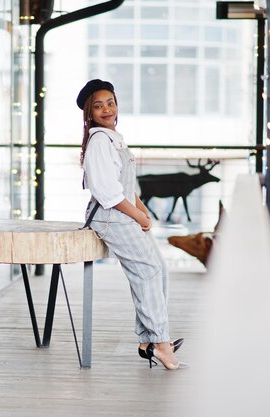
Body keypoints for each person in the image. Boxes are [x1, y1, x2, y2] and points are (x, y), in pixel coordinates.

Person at [77, 79, 182, 370]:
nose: (106, 109)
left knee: (157, 269)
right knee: (147, 271)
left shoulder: (113, 138)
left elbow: (123, 183)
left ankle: (149, 340)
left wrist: (142, 209)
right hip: (111, 217)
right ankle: (161, 343)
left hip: (122, 213)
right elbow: (107, 192)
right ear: (89, 113)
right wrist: (137, 216)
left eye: (110, 102)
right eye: (98, 106)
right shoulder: (99, 142)